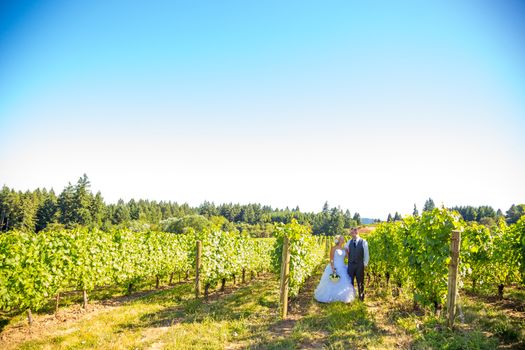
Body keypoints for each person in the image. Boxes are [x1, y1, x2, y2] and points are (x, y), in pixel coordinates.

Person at [314, 235, 355, 303]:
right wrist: (333, 268)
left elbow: (348, 257)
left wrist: (348, 251)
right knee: (332, 282)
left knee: (343, 281)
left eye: (343, 239)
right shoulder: (333, 248)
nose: (343, 240)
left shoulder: (344, 249)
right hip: (335, 266)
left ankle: (342, 297)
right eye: (341, 239)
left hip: (342, 267)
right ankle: (330, 297)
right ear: (338, 240)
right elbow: (331, 259)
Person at [345, 227, 369, 301]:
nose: (352, 234)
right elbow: (345, 249)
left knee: (360, 281)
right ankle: (351, 297)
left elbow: (366, 254)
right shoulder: (349, 242)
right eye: (351, 233)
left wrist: (365, 264)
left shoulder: (363, 241)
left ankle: (361, 297)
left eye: (353, 232)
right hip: (351, 265)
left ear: (357, 232)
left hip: (359, 265)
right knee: (350, 282)